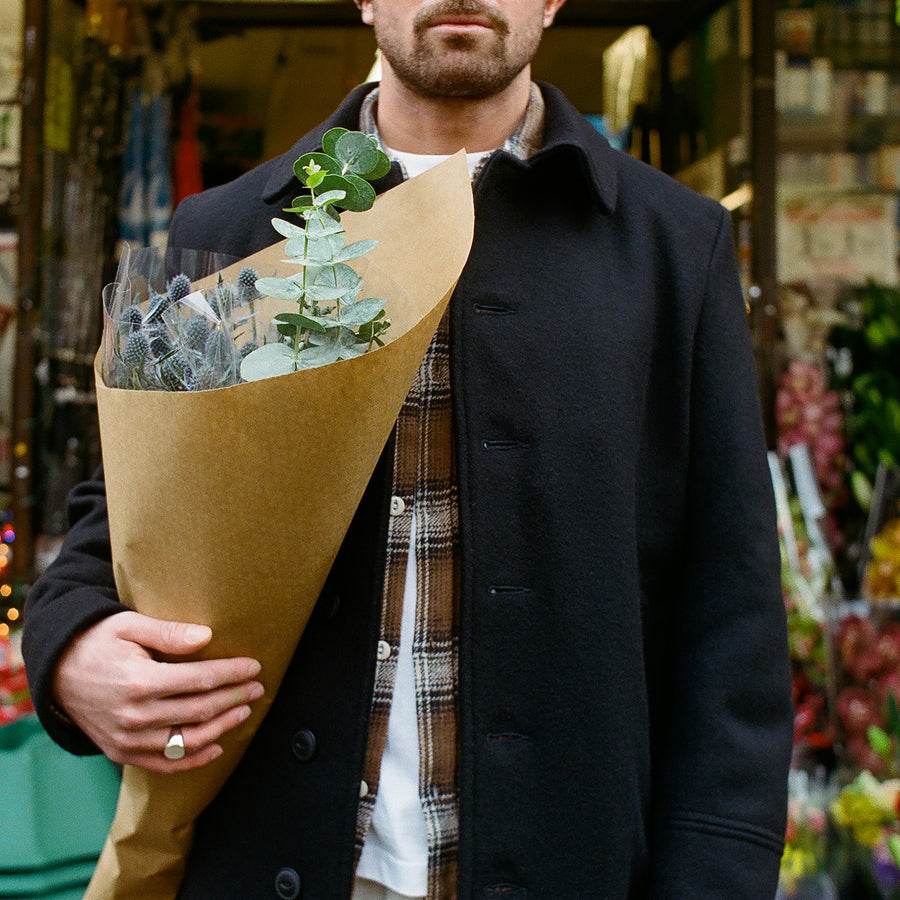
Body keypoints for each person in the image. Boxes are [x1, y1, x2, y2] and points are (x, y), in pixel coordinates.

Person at [23, 0, 794, 897]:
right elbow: (116, 523)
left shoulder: (672, 247)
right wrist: (72, 651)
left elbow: (731, 613)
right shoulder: (235, 228)